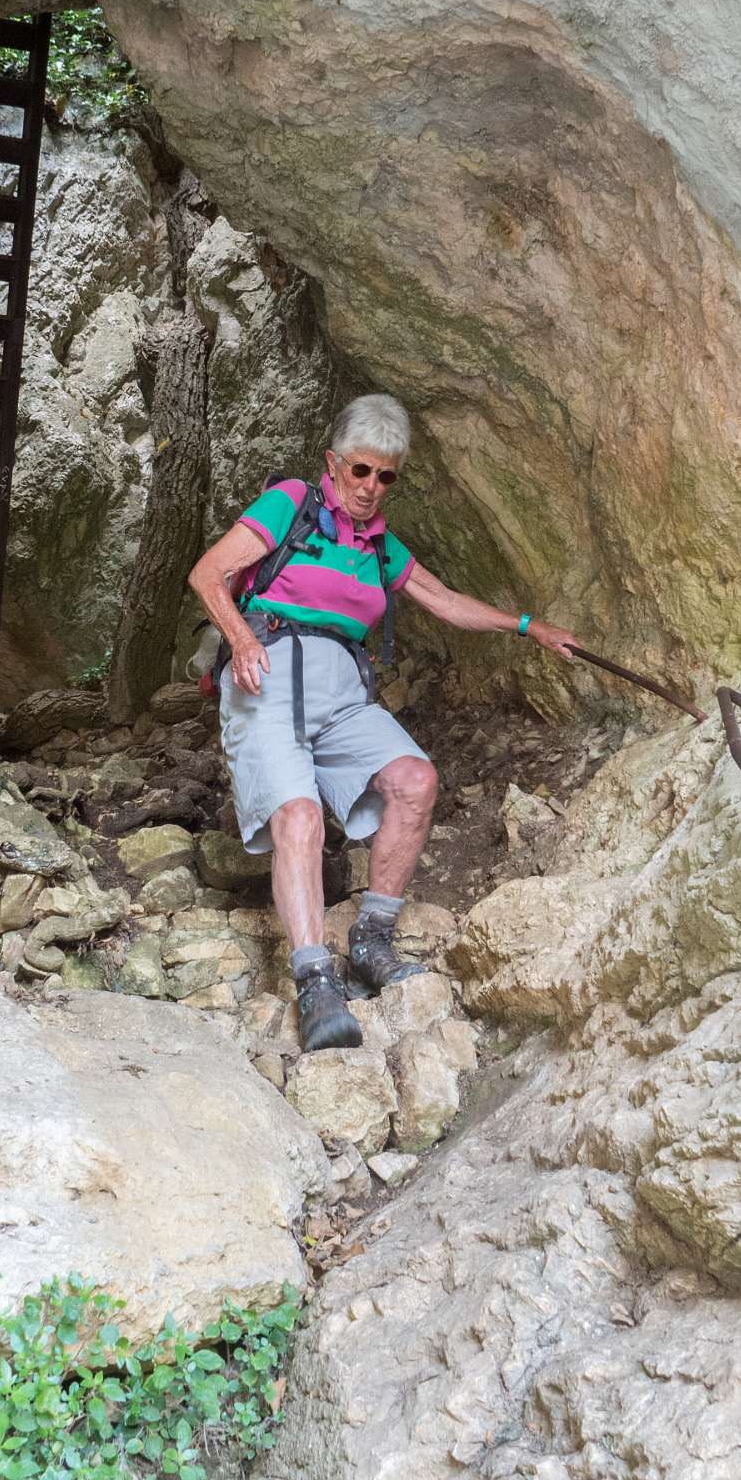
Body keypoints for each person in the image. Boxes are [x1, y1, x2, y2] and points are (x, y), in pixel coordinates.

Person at [186, 393, 579, 1053]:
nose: (371, 486)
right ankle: (315, 981)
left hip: (342, 690)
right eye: (361, 469)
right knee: (300, 817)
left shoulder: (378, 545)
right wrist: (241, 639)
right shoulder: (289, 504)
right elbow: (208, 573)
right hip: (269, 674)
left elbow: (445, 601)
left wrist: (529, 627)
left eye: (386, 476)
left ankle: (372, 940)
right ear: (333, 463)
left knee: (414, 781)